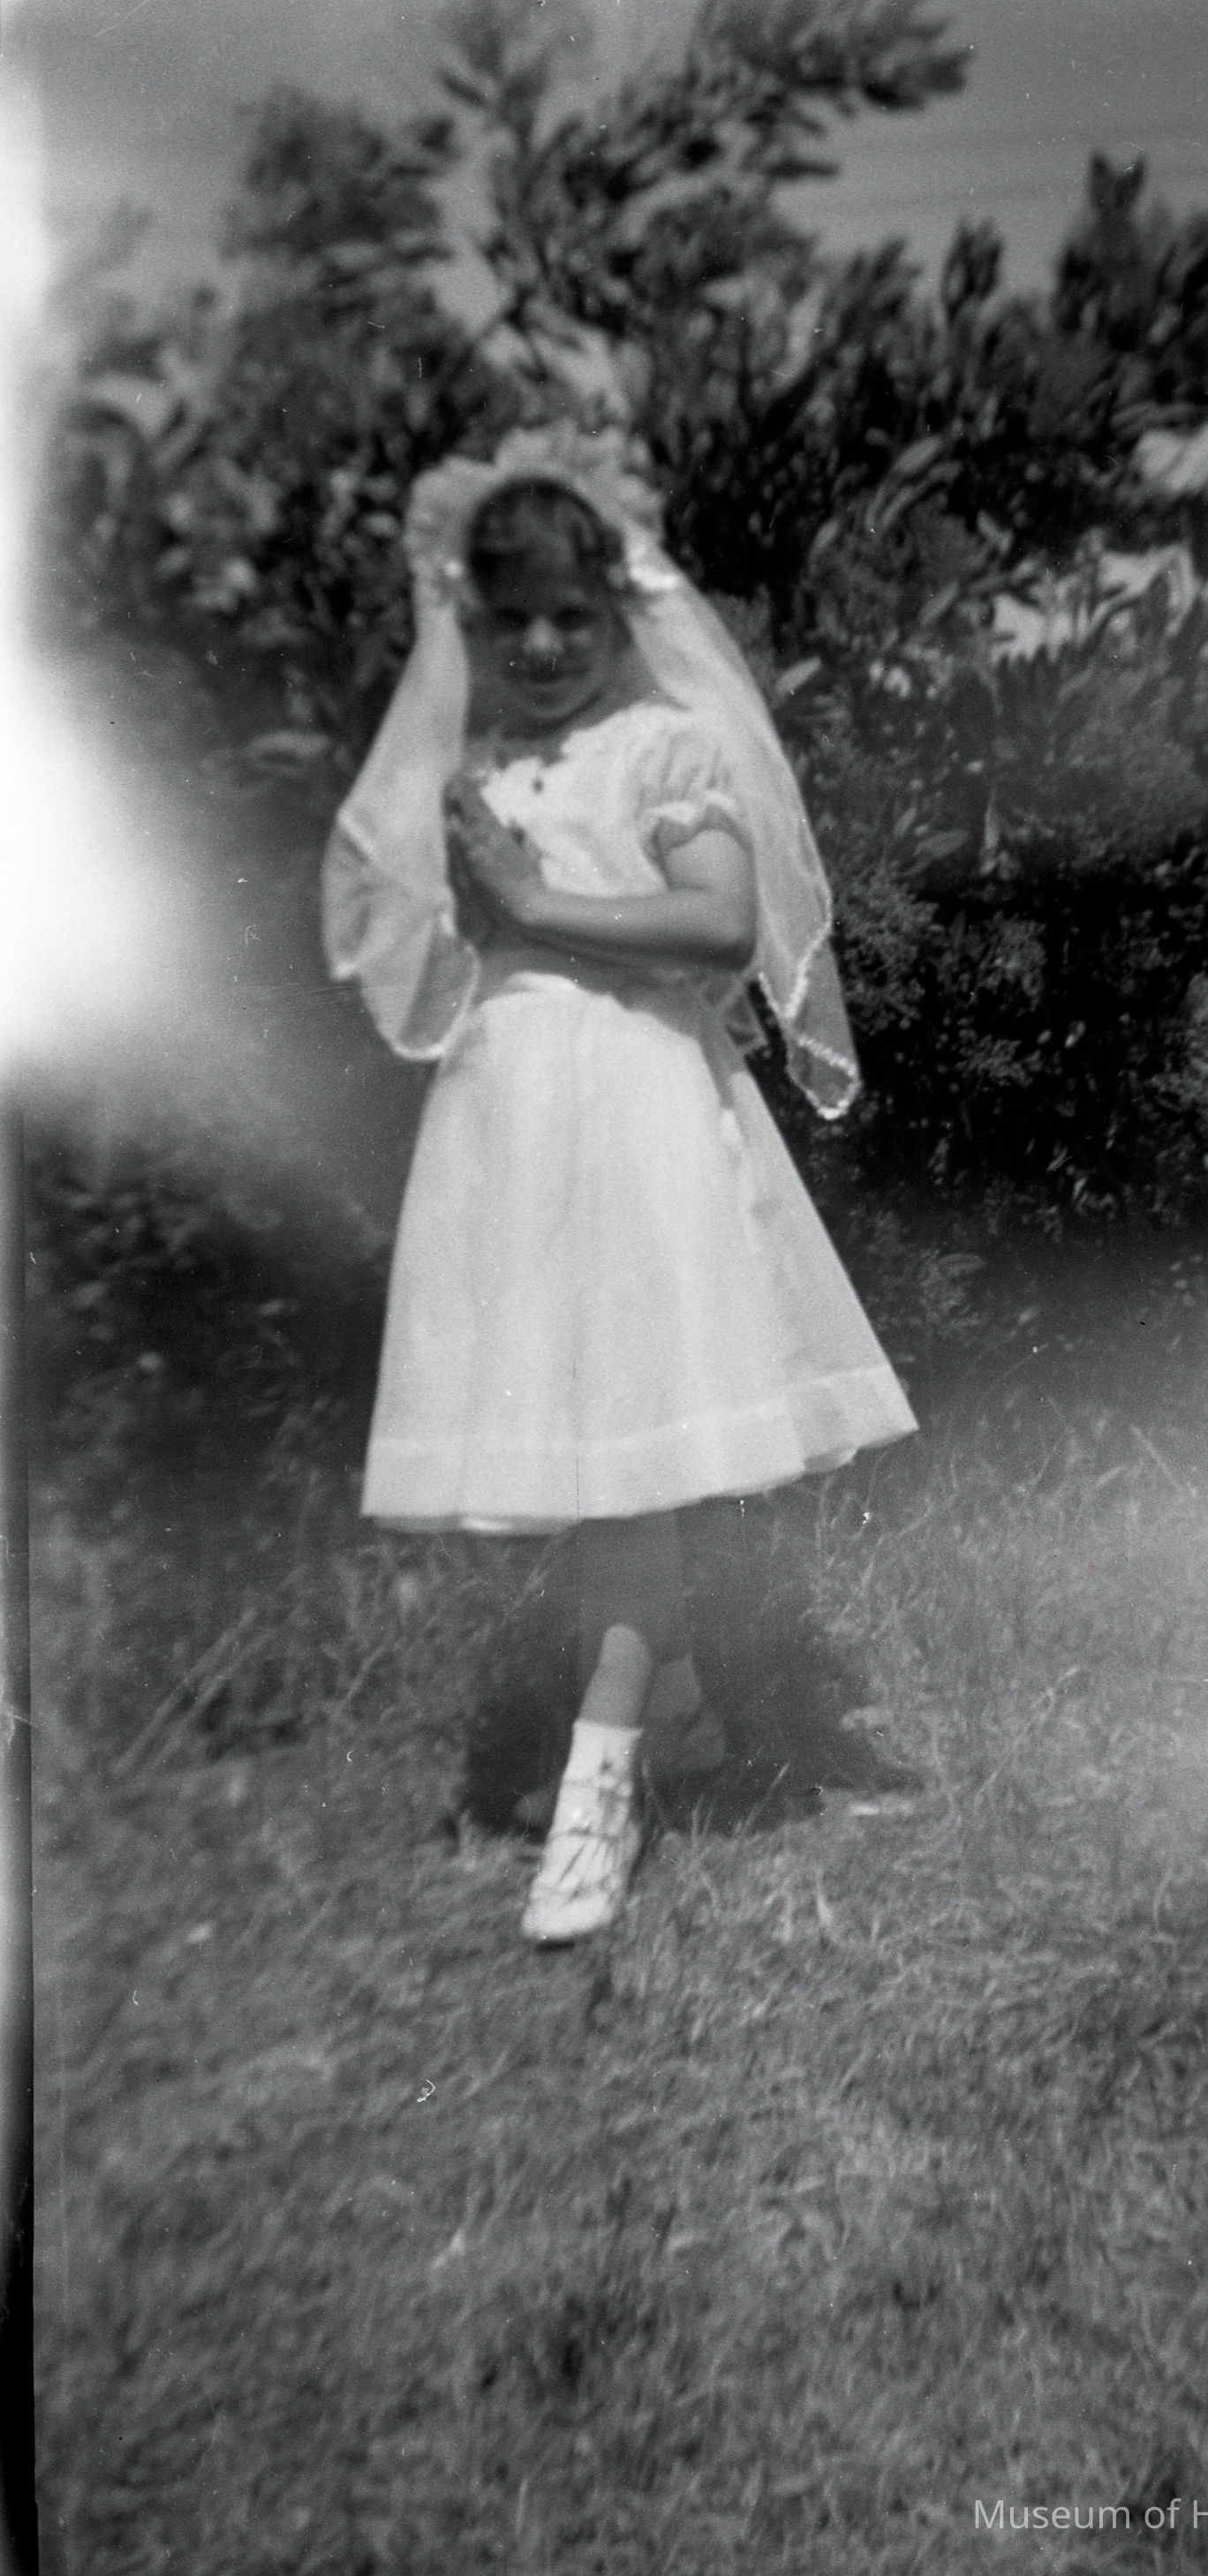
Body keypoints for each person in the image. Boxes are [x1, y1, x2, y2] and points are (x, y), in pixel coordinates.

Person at [323, 422, 917, 1946]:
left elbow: (716, 927)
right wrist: (475, 901)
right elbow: (444, 959)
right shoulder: (475, 767)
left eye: (571, 616)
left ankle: (600, 1788)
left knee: (631, 1448)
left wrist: (530, 897)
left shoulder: (666, 746)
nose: (540, 645)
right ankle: (688, 1719)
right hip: (513, 1116)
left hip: (639, 1105)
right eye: (509, 617)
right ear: (470, 620)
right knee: (590, 1439)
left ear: (618, 610)